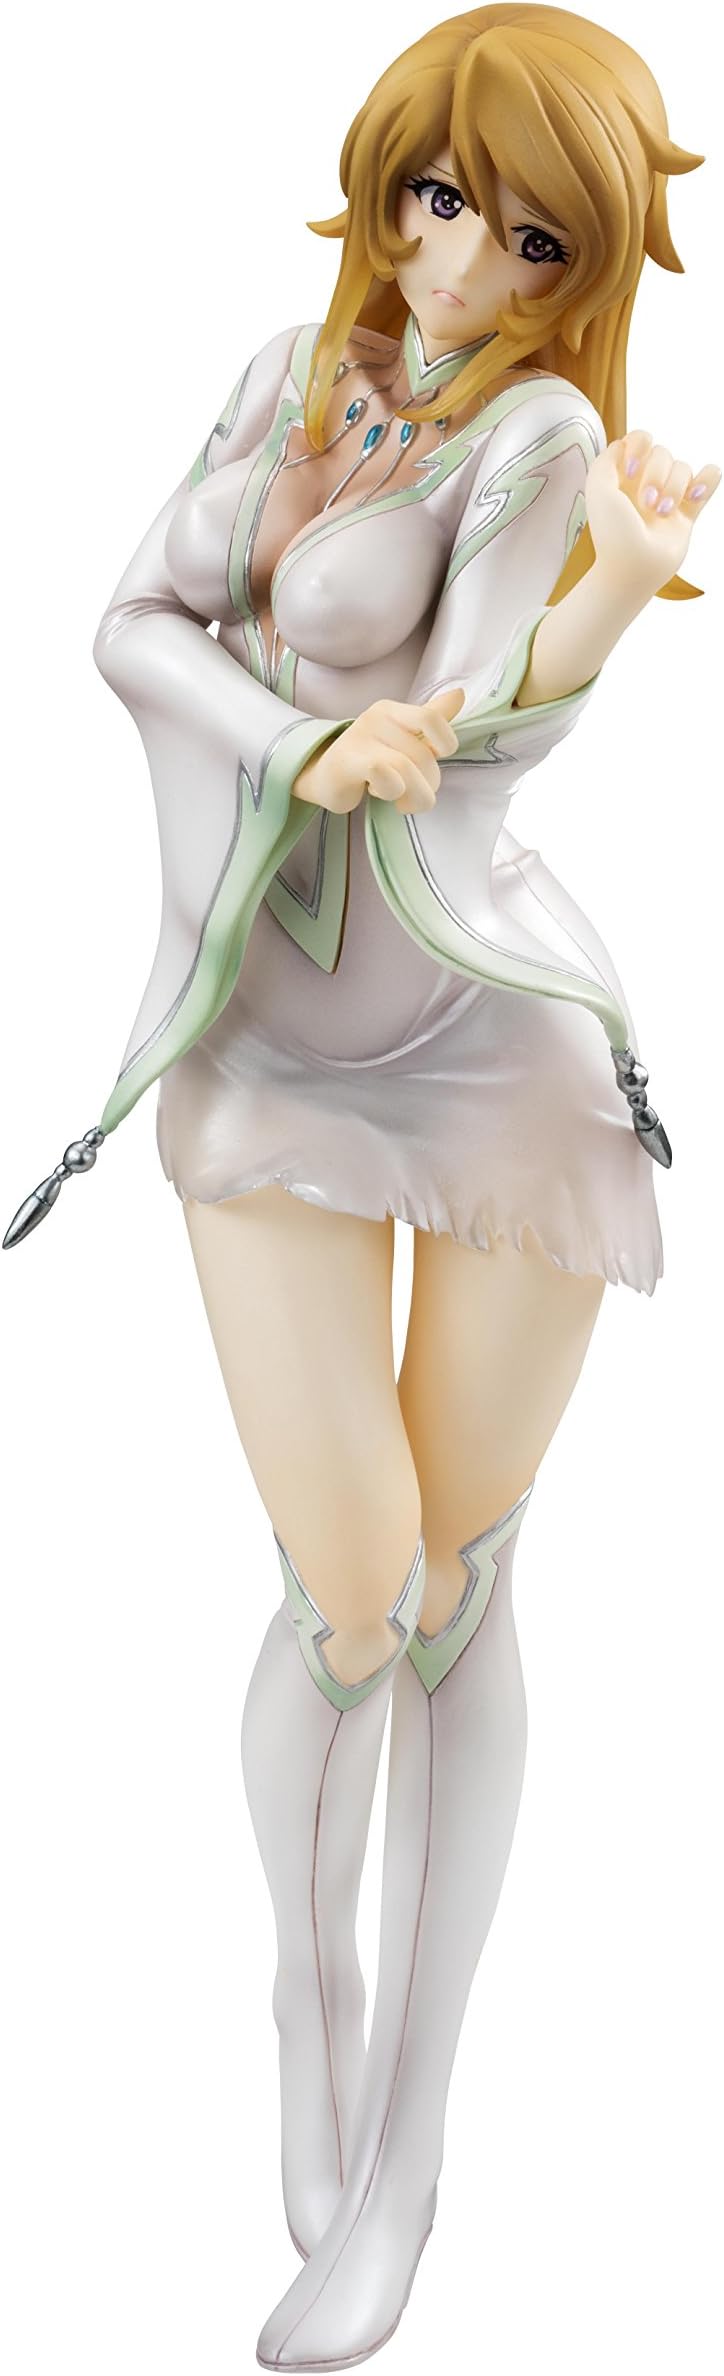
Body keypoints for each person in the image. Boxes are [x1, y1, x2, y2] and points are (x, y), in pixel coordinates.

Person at [7, 7, 719, 2367]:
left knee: (454, 1588)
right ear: (384, 180)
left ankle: (407, 2153)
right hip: (258, 1036)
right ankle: (301, 2017)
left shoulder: (538, 435)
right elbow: (124, 625)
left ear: (578, 268)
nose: (468, 259)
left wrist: (608, 590)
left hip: (488, 1033)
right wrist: (299, 737)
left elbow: (487, 721)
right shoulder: (282, 380)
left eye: (533, 238)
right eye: (439, 199)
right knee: (346, 1583)